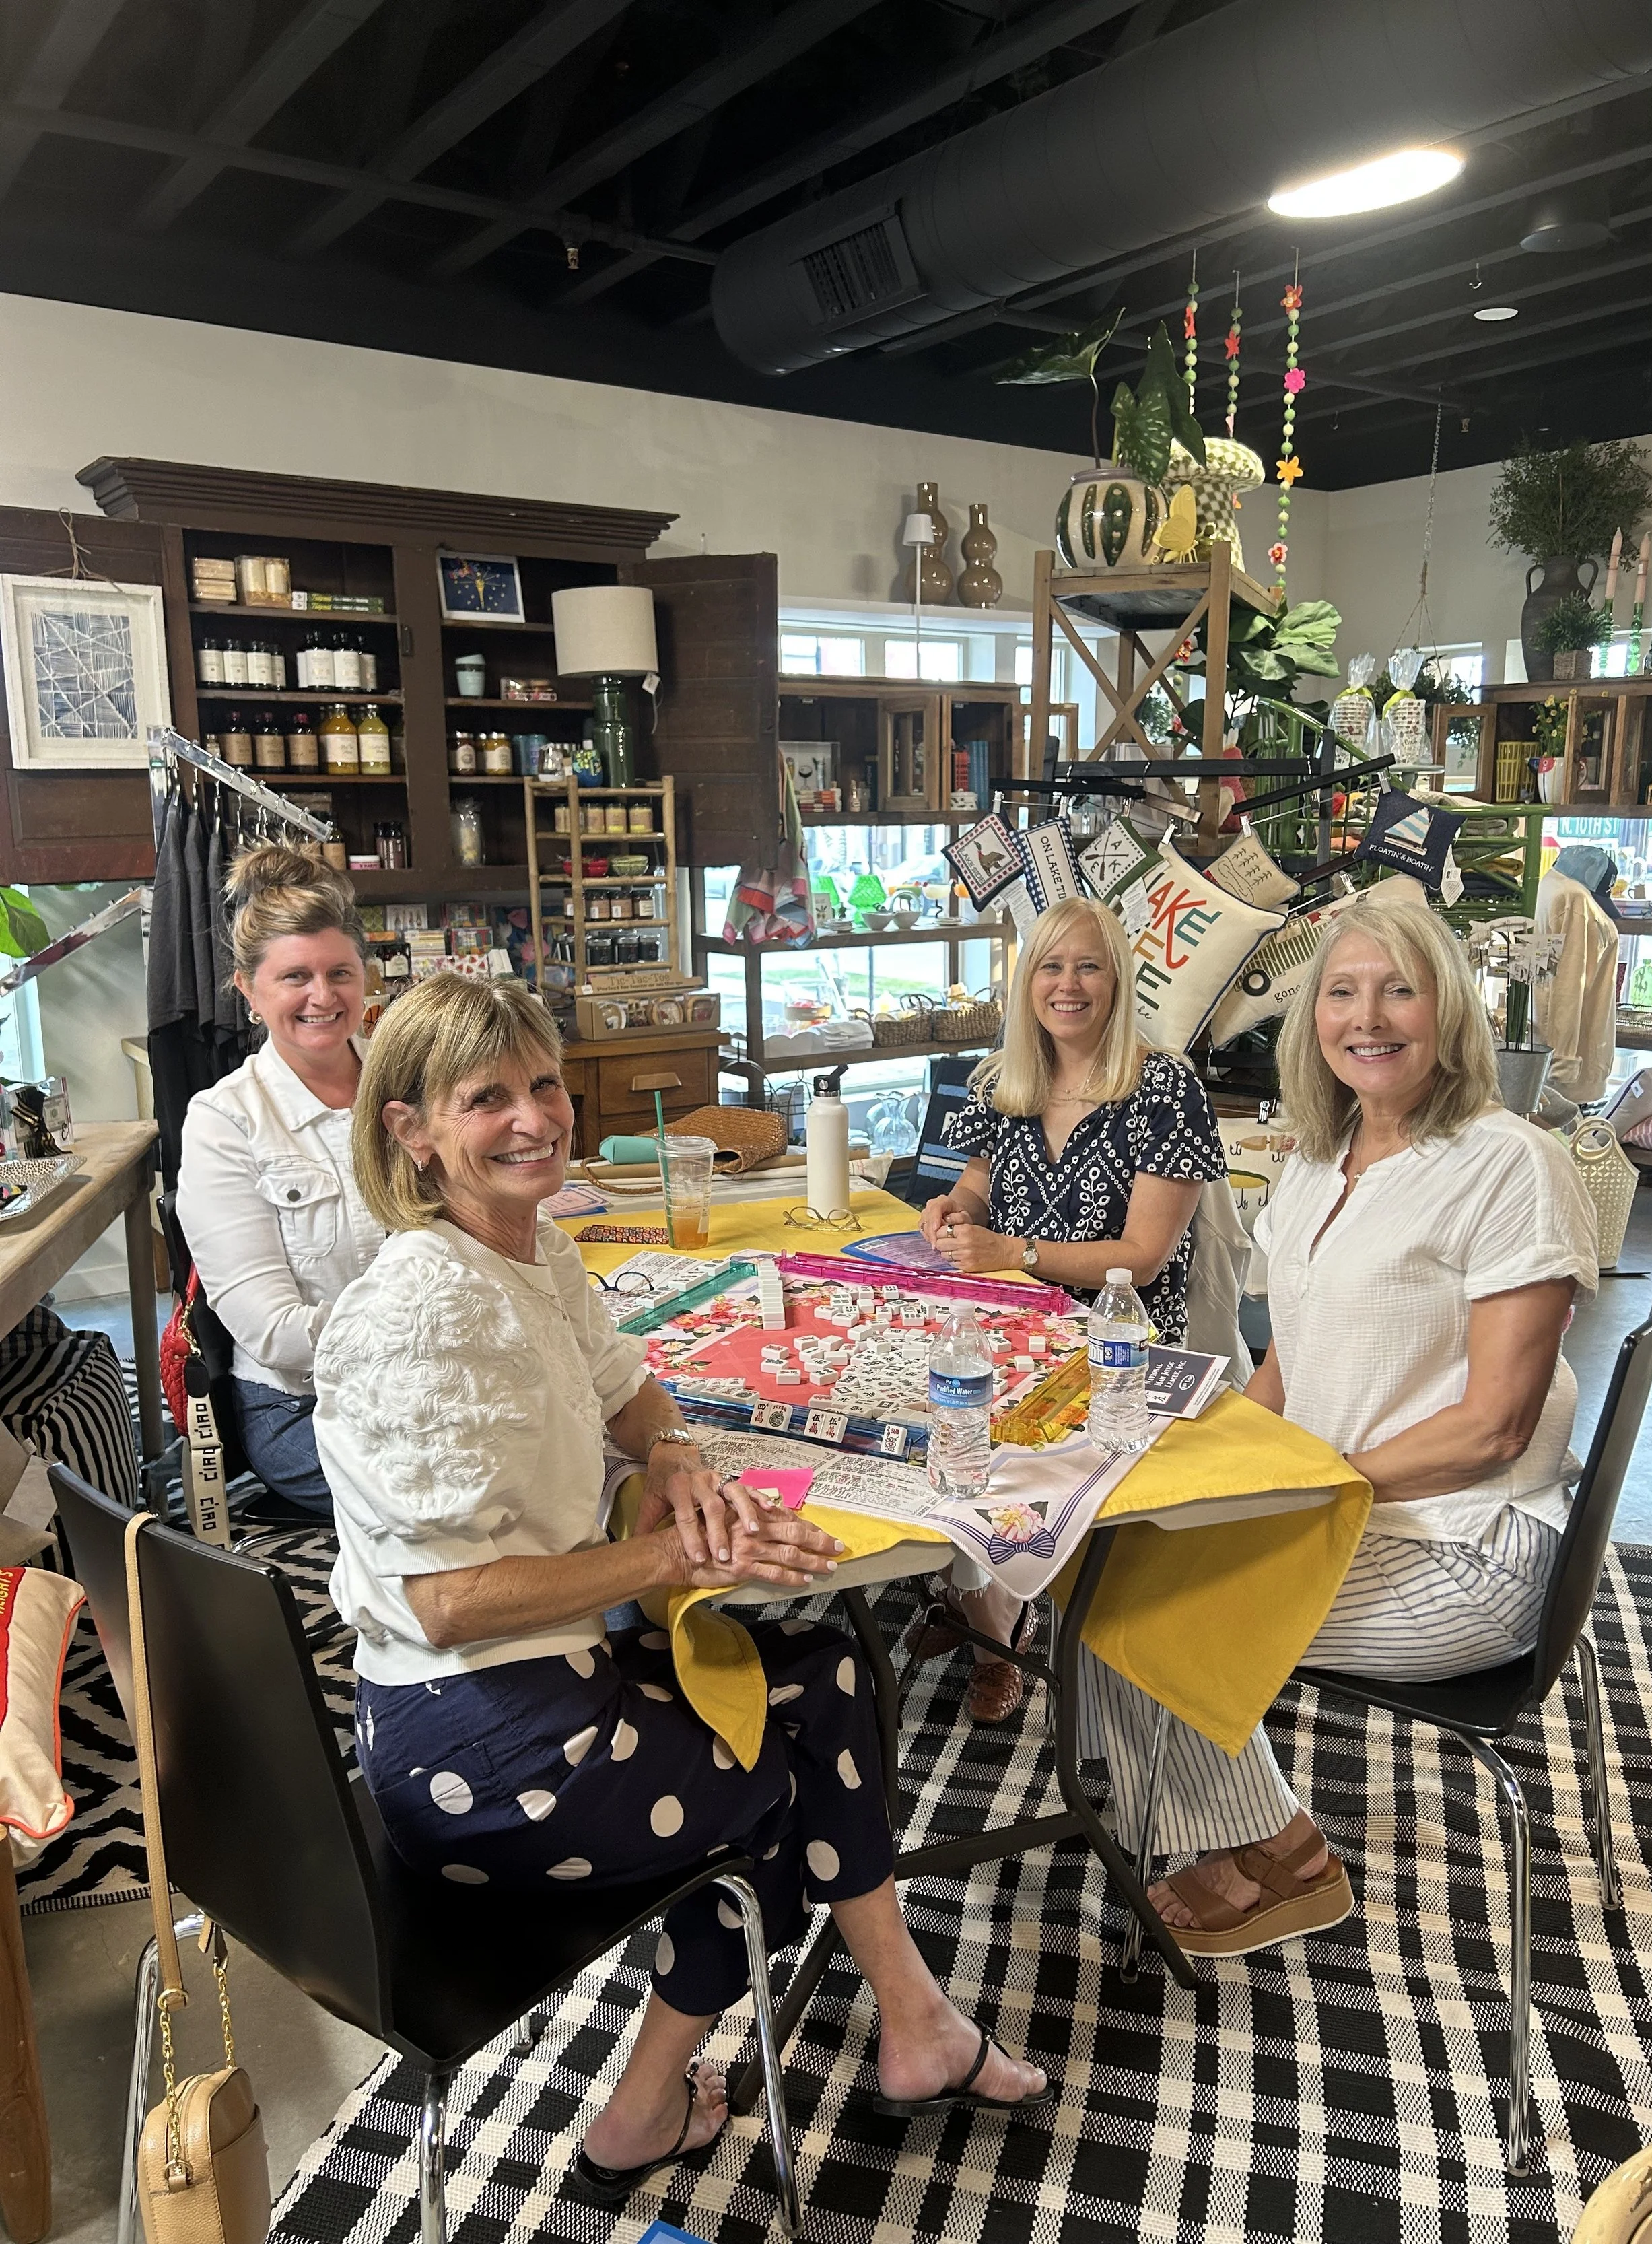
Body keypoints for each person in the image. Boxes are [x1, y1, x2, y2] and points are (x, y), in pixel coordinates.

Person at [313, 975, 1052, 2207]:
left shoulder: (525, 1247)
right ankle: (651, 2105)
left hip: (521, 1699)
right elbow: (442, 1601)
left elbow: (626, 1387)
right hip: (483, 1750)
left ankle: (904, 2022)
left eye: (542, 1084)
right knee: (783, 1784)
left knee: (819, 1676)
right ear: (410, 1128)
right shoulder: (427, 1307)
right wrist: (674, 1557)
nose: (533, 1117)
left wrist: (674, 1455)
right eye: (485, 1097)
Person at [1082, 885, 1600, 1955]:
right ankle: (1232, 1827)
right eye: (1344, 993)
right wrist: (1194, 1451)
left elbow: (1496, 1427)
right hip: (1342, 1516)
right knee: (1091, 1564)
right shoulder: (1318, 1161)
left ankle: (1283, 1854)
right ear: (1312, 1019)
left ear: (1447, 1010)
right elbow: (1287, 1364)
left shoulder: (1511, 1165)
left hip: (1463, 1550)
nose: (1368, 1018)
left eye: (1400, 991)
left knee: (1125, 1623)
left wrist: (1314, 1488)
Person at [913, 895, 1227, 1720]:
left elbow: (1142, 1256)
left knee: (979, 1461)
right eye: (1050, 966)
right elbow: (977, 1183)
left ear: (1119, 979)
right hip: (1010, 1337)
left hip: (1120, 1359)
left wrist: (1014, 1254)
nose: (1068, 985)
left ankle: (1010, 1620)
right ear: (1026, 983)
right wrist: (956, 1210)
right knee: (929, 1440)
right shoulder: (1005, 1077)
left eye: (1088, 965)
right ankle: (983, 1614)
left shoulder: (1165, 1089)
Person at [178, 847, 383, 1517]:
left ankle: (645, 1615)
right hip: (306, 1405)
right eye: (296, 976)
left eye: (339, 974)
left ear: (365, 979)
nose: (323, 997)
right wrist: (433, 1329)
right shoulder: (225, 1123)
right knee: (485, 1488)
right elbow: (273, 1332)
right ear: (249, 991)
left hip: (447, 1375)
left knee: (580, 1448)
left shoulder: (416, 1084)